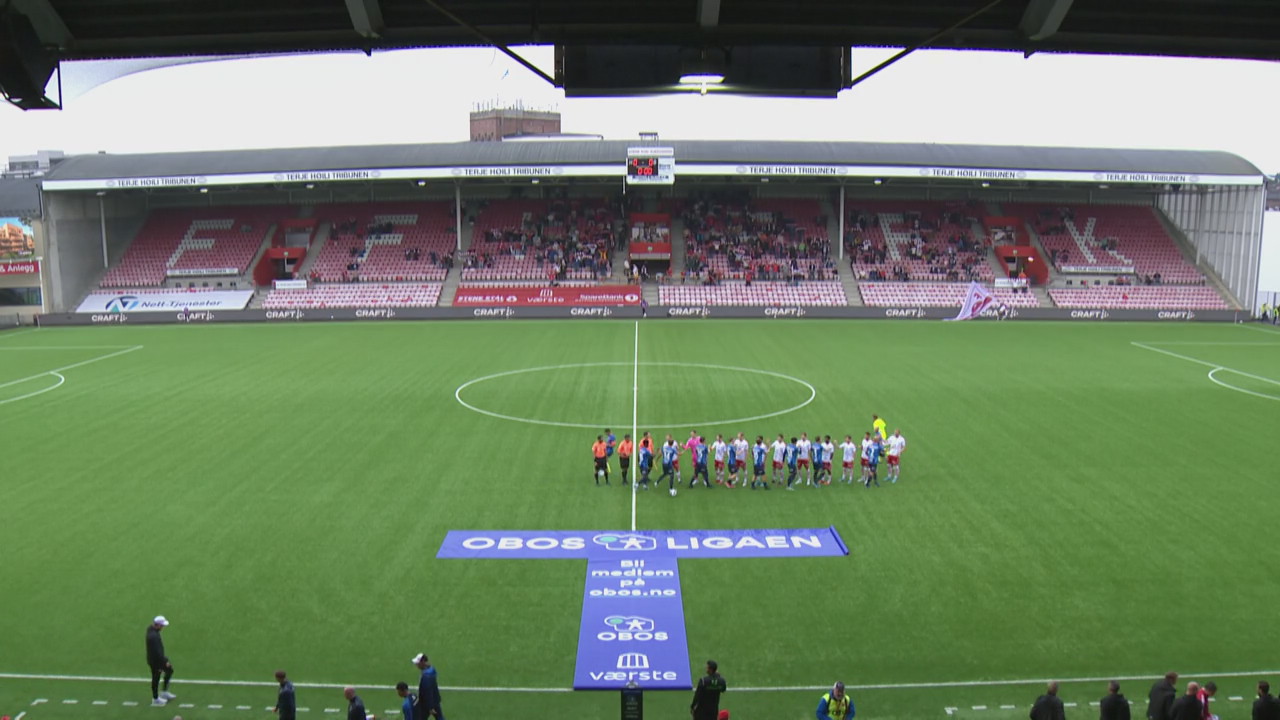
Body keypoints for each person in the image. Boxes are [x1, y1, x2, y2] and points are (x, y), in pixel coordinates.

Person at [146, 615, 176, 706]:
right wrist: (164, 662)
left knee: (169, 671)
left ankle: (163, 692)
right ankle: (155, 699)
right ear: (157, 625)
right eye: (162, 625)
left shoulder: (152, 630)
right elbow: (157, 652)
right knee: (156, 678)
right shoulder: (153, 636)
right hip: (156, 661)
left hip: (156, 660)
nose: (163, 627)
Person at [412, 653, 445, 720]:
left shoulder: (426, 676)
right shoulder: (431, 670)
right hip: (435, 699)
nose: (416, 665)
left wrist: (430, 707)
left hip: (426, 703)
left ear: (423, 662)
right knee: (439, 717)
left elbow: (428, 692)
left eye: (418, 663)